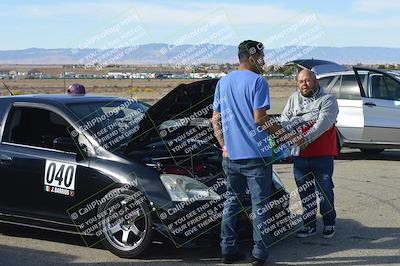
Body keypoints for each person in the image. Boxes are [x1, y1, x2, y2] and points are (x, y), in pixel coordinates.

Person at [212, 40, 304, 266]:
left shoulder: (223, 82)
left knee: (232, 202)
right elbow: (260, 119)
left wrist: (225, 146)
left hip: (231, 157)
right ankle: (259, 254)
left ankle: (227, 250)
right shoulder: (258, 81)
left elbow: (215, 119)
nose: (264, 61)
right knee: (260, 205)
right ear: (251, 58)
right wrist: (287, 135)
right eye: (262, 57)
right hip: (256, 157)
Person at [280, 69, 339, 239]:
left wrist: (299, 137)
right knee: (305, 193)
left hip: (322, 156)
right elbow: (284, 120)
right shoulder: (293, 99)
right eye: (300, 82)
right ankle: (309, 225)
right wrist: (290, 131)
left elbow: (321, 126)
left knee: (325, 191)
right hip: (300, 156)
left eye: (307, 81)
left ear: (316, 82)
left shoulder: (328, 100)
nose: (304, 85)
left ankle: (329, 223)